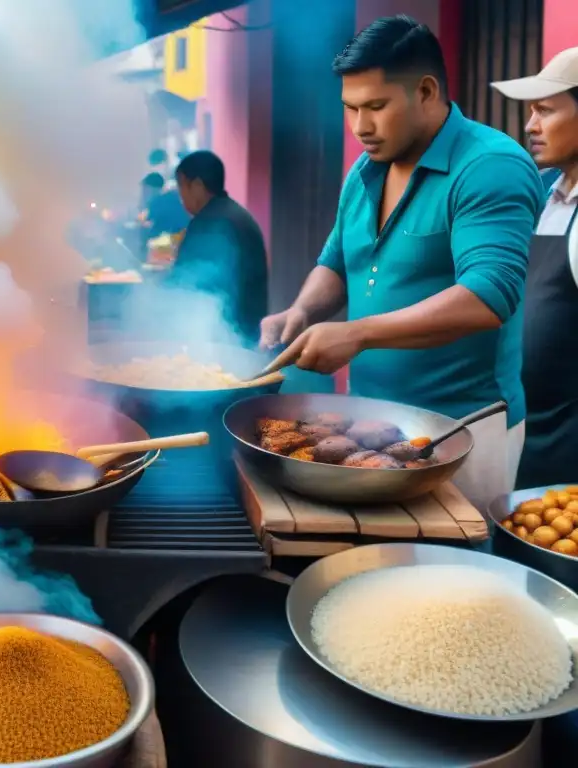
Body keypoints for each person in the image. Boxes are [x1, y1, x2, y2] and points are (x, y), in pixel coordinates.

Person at [259, 16, 543, 511]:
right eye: (350, 108)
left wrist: (358, 332)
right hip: (370, 423)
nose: (359, 127)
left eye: (376, 106)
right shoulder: (366, 168)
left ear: (427, 91)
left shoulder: (491, 165)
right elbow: (336, 261)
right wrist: (302, 312)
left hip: (461, 430)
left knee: (451, 578)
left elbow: (488, 295)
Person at [492, 48, 578, 489]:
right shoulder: (541, 192)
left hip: (568, 446)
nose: (530, 126)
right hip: (519, 430)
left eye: (545, 110)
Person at [171, 150, 268, 342]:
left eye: (181, 187)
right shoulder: (236, 214)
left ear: (197, 186)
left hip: (225, 334)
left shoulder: (209, 223)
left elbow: (184, 284)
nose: (180, 197)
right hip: (247, 330)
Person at [141, 172, 191, 241]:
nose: (143, 193)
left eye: (145, 189)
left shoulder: (157, 203)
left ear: (151, 189)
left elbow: (154, 227)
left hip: (172, 239)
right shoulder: (172, 197)